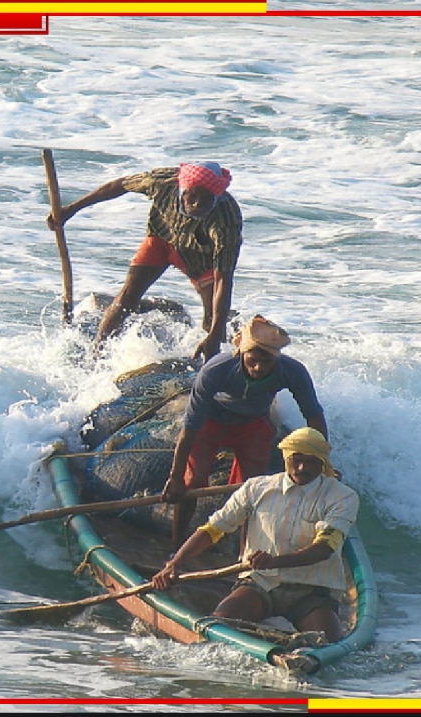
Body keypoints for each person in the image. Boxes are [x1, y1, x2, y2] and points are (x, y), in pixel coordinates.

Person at [152, 427, 358, 643]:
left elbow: (324, 549)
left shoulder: (342, 497)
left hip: (313, 592)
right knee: (218, 630)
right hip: (261, 584)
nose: (302, 468)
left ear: (322, 463)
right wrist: (174, 563)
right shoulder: (256, 488)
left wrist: (274, 561)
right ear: (286, 457)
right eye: (296, 460)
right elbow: (213, 530)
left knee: (328, 645)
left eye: (311, 462)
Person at [161, 314, 329, 547]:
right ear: (242, 354)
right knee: (192, 483)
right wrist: (175, 477)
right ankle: (176, 544)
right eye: (252, 361)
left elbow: (314, 416)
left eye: (267, 362)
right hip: (212, 419)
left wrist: (324, 464)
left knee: (250, 490)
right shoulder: (216, 370)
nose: (259, 368)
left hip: (253, 423)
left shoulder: (293, 371)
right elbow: (190, 427)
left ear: (276, 359)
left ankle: (244, 553)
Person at [47, 162, 242, 360]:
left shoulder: (227, 220)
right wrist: (71, 209)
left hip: (200, 256)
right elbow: (119, 186)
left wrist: (215, 334)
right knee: (127, 298)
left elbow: (223, 280)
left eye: (206, 199)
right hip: (160, 240)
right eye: (192, 196)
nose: (197, 204)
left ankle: (213, 364)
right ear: (182, 191)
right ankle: (97, 354)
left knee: (213, 321)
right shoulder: (162, 182)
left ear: (216, 198)